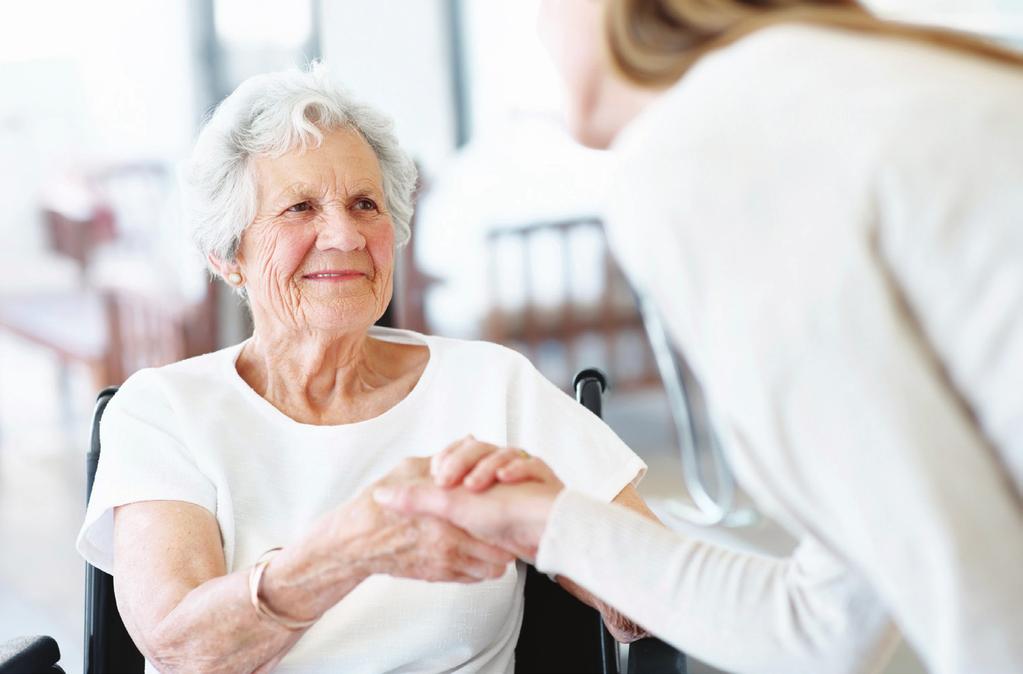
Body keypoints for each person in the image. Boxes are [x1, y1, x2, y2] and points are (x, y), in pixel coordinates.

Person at [374, 1, 1023, 672]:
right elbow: (821, 626)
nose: (537, 23)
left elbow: (979, 605)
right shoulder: (840, 84)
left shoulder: (704, 148)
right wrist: (545, 524)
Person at [76, 64, 656, 674]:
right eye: (300, 207)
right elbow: (183, 650)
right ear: (227, 255)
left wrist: (552, 523)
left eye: (364, 204)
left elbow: (654, 600)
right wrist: (349, 551)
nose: (345, 236)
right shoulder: (164, 410)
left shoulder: (492, 384)